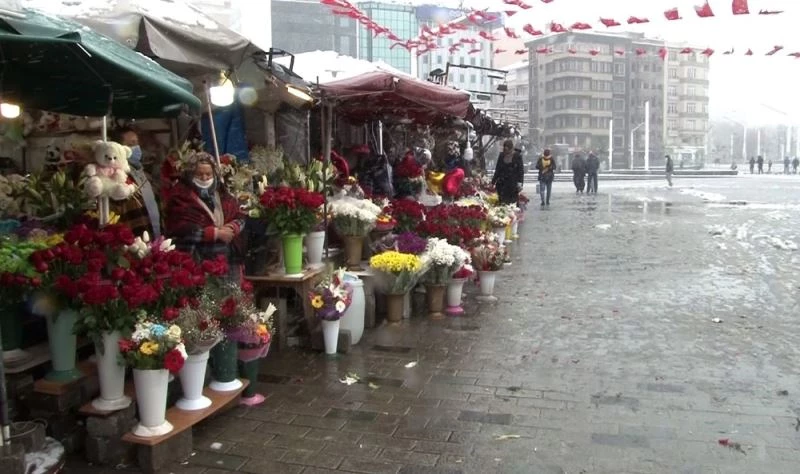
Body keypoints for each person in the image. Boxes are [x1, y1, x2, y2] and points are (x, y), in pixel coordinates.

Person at [164, 151, 245, 281]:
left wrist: (232, 227)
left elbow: (239, 215)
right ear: (191, 174)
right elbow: (180, 229)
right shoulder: (180, 197)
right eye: (199, 174)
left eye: (208, 174)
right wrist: (214, 233)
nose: (205, 178)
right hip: (197, 262)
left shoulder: (223, 195)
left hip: (228, 261)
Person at [112, 127, 162, 238]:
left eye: (137, 143)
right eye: (131, 144)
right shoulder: (118, 177)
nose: (136, 148)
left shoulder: (142, 173)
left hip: (154, 235)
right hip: (135, 239)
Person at [491, 139, 524, 205]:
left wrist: (520, 183)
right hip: (502, 184)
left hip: (512, 184)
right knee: (502, 202)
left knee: (512, 203)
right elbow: (498, 169)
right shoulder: (501, 155)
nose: (506, 151)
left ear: (511, 148)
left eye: (507, 150)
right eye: (505, 149)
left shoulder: (517, 156)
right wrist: (493, 182)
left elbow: (520, 170)